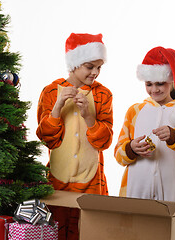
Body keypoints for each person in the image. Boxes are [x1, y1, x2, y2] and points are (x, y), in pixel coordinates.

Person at [114, 46, 175, 240]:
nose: (154, 89)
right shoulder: (135, 111)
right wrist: (131, 148)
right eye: (149, 83)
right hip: (134, 195)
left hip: (170, 198)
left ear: (172, 81)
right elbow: (119, 156)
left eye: (160, 84)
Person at [36, 33, 113, 239]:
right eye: (90, 66)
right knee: (55, 232)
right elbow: (47, 138)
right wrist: (57, 107)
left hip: (91, 181)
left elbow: (104, 141)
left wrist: (89, 116)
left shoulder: (103, 94)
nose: (96, 72)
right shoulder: (51, 92)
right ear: (75, 63)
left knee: (90, 233)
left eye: (99, 67)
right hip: (58, 180)